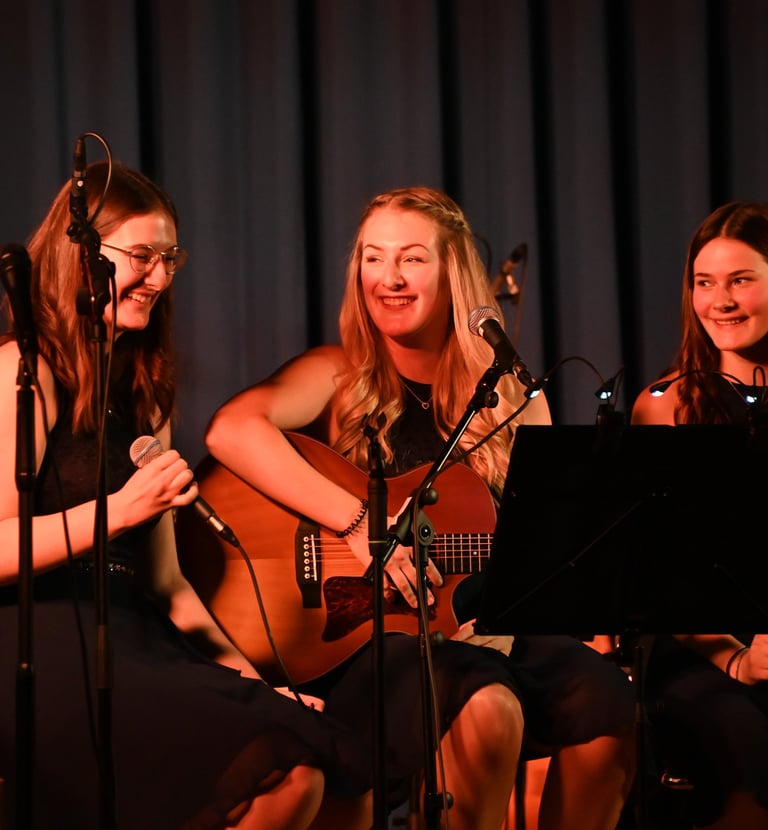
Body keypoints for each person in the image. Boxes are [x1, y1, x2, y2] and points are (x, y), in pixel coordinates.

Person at [204, 186, 637, 829]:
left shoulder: (514, 396)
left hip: (482, 633)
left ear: (452, 271)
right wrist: (359, 524)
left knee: (611, 702)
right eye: (373, 258)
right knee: (487, 702)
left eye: (411, 258)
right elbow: (230, 431)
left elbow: (545, 548)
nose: (390, 278)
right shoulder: (338, 374)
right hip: (363, 643)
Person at [0, 161, 374, 830]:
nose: (160, 277)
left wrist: (259, 685)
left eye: (170, 259)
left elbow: (171, 588)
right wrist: (120, 511)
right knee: (292, 775)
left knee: (338, 766)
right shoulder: (23, 372)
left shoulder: (144, 396)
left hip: (136, 636)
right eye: (142, 256)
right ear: (80, 256)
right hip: (43, 638)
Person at [632, 200, 768, 829]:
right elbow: (655, 570)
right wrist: (736, 659)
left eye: (741, 280)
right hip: (701, 651)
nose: (721, 301)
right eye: (705, 283)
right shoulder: (664, 406)